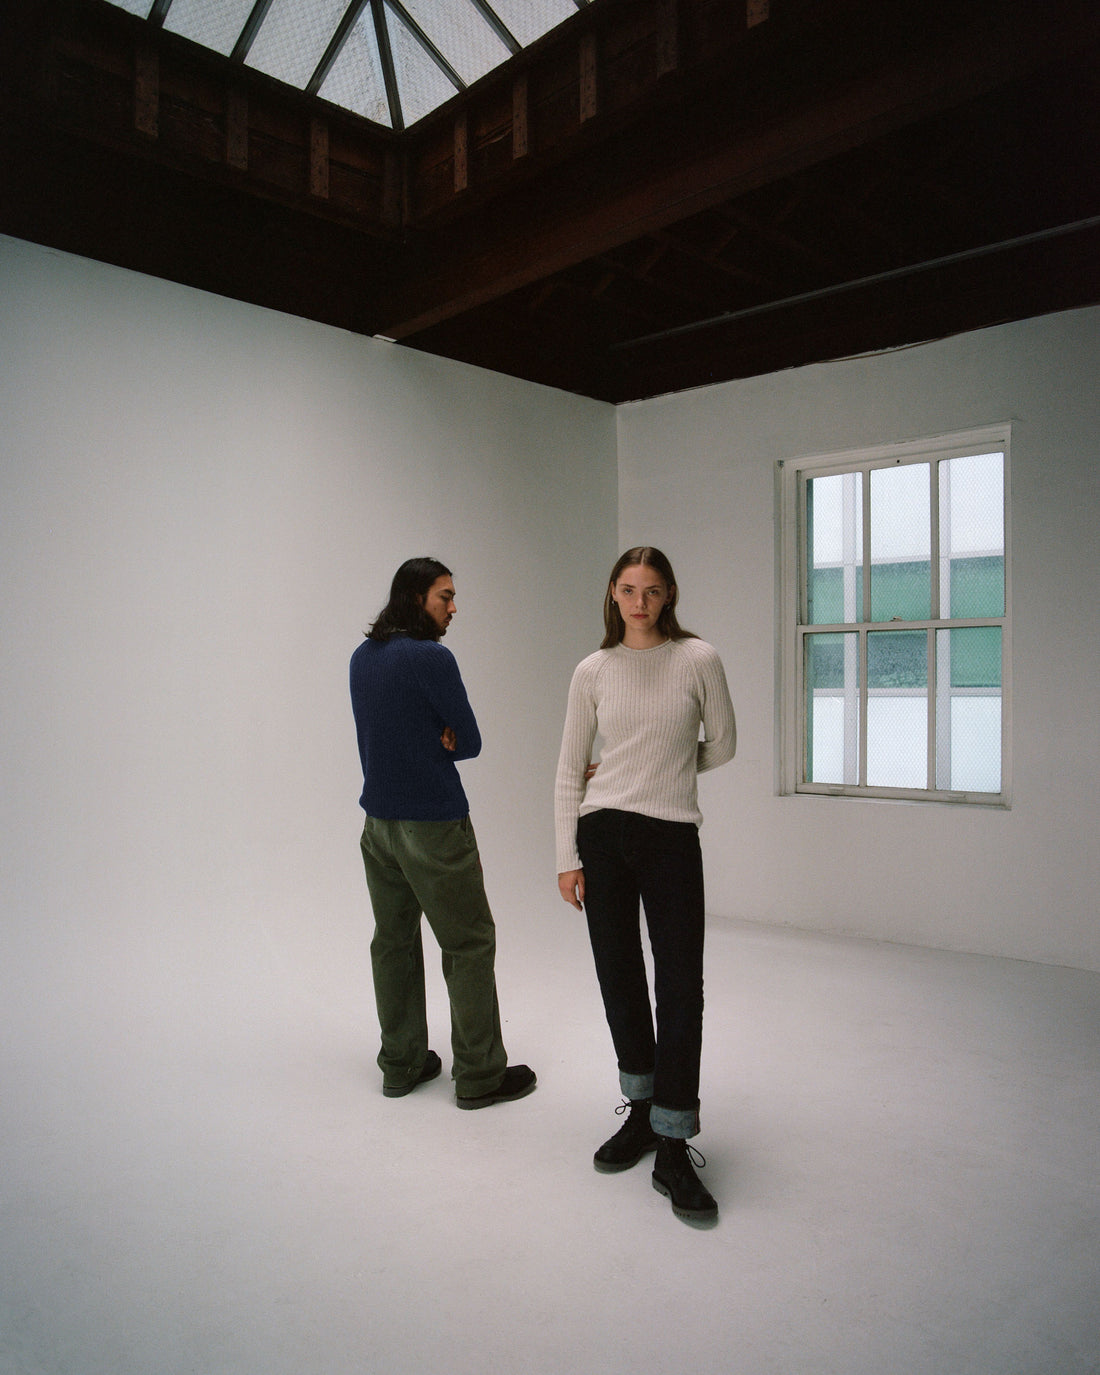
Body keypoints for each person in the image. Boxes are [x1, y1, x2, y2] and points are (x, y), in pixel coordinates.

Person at [555, 546, 735, 1223]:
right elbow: (569, 768)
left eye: (652, 590)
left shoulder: (698, 659)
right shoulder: (593, 670)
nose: (639, 601)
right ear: (612, 593)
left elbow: (724, 742)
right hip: (601, 835)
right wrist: (566, 856)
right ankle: (641, 1107)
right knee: (619, 974)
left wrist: (664, 766)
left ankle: (674, 1140)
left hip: (670, 835)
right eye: (628, 589)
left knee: (681, 984)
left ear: (669, 595)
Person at [350, 557, 535, 1109]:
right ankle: (479, 1075)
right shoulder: (431, 657)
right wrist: (444, 735)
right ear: (416, 598)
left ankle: (401, 1063)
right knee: (468, 943)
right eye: (445, 597)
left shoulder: (362, 657)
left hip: (378, 825)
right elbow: (470, 740)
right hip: (432, 824)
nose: (454, 608)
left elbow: (383, 736)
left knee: (393, 943)